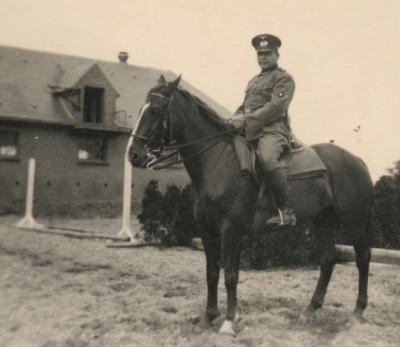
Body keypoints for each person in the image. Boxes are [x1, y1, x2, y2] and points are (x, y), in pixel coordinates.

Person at [227, 33, 296, 226]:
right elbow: (245, 106)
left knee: (266, 157)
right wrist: (233, 119)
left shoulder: (284, 78)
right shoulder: (254, 81)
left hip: (273, 131)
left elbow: (276, 107)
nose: (263, 57)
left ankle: (287, 211)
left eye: (267, 53)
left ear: (277, 55)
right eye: (259, 54)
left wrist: (246, 120)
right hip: (250, 130)